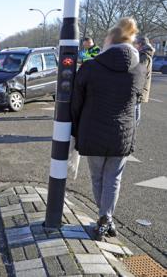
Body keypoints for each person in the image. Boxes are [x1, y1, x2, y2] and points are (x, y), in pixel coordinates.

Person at [71, 18, 145, 241]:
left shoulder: (91, 67)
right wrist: (130, 129)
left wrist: (75, 130)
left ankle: (104, 218)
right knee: (113, 179)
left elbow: (76, 103)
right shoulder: (138, 69)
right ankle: (106, 218)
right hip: (121, 134)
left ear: (109, 41)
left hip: (92, 133)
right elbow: (136, 107)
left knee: (97, 177)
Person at [134, 36, 155, 125]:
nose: (135, 45)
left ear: (140, 44)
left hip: (140, 86)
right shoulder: (144, 54)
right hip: (140, 86)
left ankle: (133, 127)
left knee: (136, 107)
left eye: (136, 44)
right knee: (136, 107)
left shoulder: (144, 56)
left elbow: (140, 72)